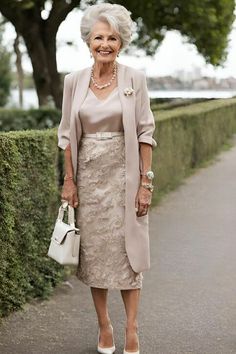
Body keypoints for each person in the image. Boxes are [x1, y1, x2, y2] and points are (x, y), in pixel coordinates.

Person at [58, 3, 157, 354]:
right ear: (88, 41)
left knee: (130, 256)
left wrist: (145, 184)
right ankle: (104, 327)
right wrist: (69, 181)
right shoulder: (73, 82)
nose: (105, 43)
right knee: (96, 256)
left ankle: (132, 329)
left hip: (125, 179)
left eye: (112, 37)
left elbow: (146, 134)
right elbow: (67, 136)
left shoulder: (135, 79)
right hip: (89, 182)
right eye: (98, 37)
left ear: (121, 42)